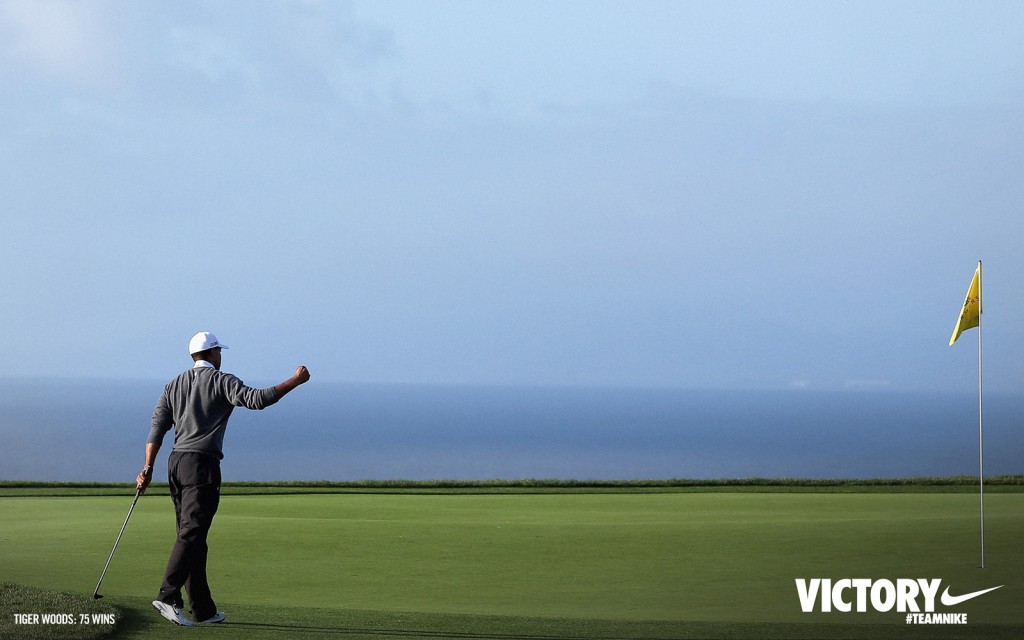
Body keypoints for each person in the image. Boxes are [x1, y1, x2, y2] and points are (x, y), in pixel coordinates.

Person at [137, 331, 310, 626]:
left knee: (194, 537)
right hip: (201, 465)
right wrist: (294, 381)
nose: (221, 356)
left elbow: (158, 427)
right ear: (213, 353)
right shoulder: (222, 380)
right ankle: (167, 597)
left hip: (176, 464)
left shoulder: (173, 385)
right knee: (191, 533)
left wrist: (147, 467)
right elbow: (257, 400)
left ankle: (203, 609)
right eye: (220, 351)